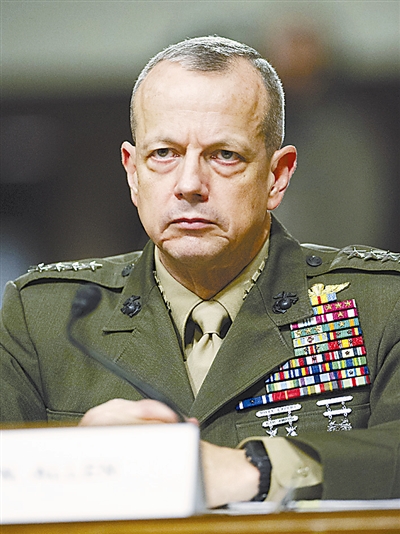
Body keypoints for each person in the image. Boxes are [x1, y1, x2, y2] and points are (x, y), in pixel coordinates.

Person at [1, 36, 399, 508]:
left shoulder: (381, 306)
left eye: (224, 155)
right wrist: (71, 463)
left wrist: (259, 468)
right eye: (164, 154)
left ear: (277, 176)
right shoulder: (44, 319)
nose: (189, 184)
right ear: (133, 173)